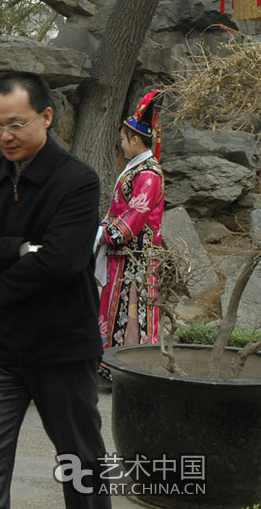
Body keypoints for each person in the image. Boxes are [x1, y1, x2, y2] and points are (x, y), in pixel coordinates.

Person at [0, 71, 110, 509]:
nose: (4, 136)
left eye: (16, 124)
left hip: (61, 346)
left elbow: (62, 261)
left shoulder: (77, 180)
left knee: (82, 462)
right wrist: (21, 249)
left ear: (46, 117)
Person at [95, 91, 165, 373]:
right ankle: (114, 366)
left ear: (135, 139)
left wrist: (103, 234)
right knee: (119, 310)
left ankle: (130, 369)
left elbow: (133, 219)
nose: (121, 144)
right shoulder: (138, 169)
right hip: (124, 258)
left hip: (135, 260)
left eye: (123, 139)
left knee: (131, 311)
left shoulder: (148, 174)